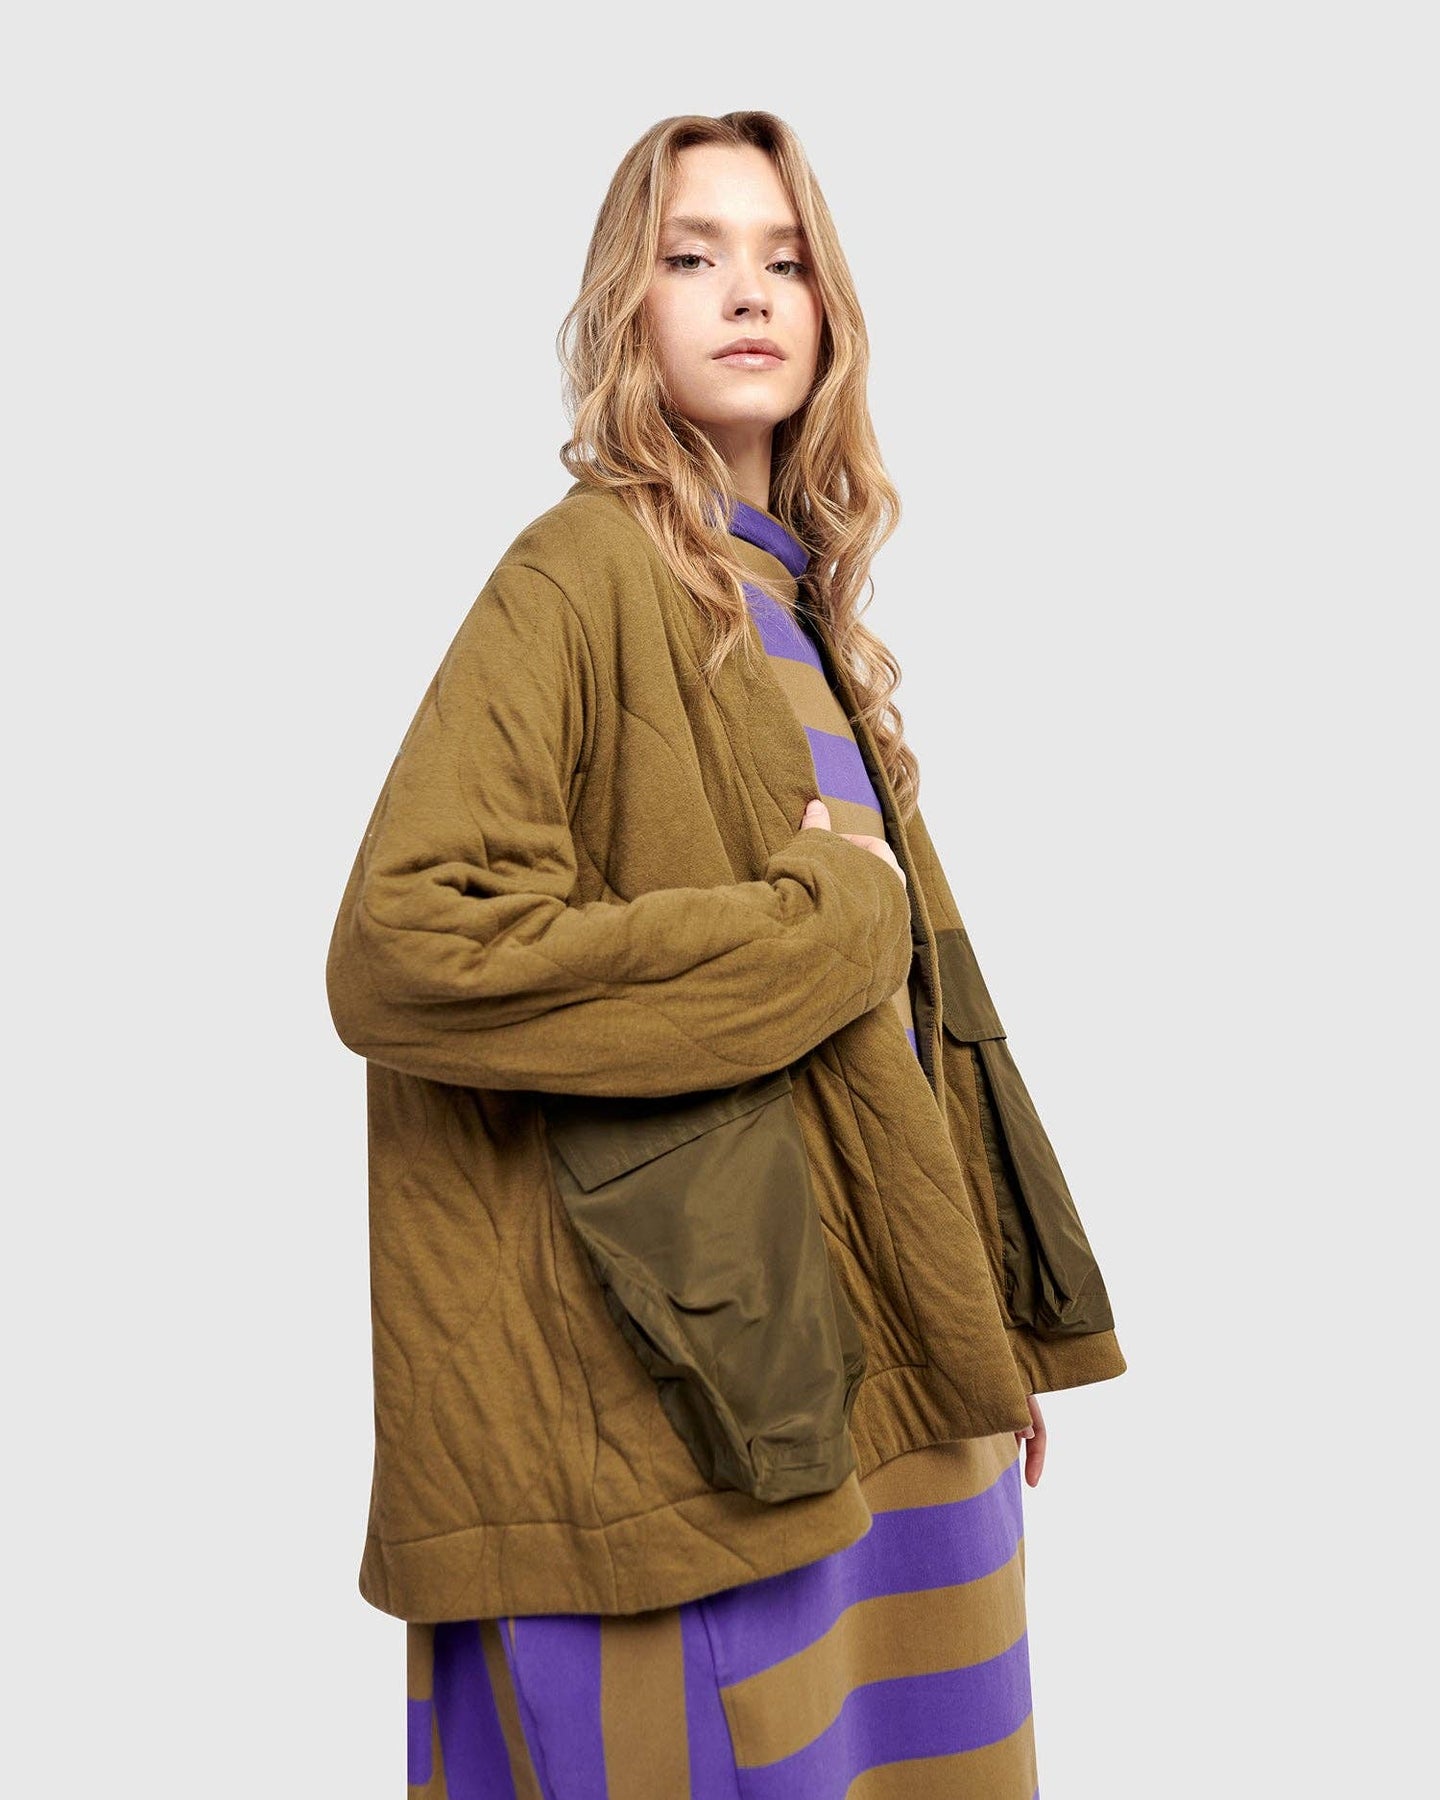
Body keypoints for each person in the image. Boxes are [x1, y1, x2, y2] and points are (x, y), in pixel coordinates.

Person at [325, 108, 1127, 1798]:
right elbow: (408, 946)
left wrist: (976, 1324)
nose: (746, 292)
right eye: (692, 256)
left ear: (831, 313)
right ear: (627, 303)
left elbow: (905, 1032)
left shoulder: (800, 609)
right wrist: (814, 919)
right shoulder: (580, 574)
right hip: (683, 1402)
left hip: (876, 1386)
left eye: (785, 260)